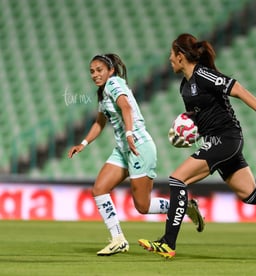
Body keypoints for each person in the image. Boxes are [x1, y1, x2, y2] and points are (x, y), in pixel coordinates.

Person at [138, 33, 256, 259]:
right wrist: (184, 128)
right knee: (250, 194)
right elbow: (199, 115)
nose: (169, 58)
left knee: (178, 179)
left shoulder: (203, 74)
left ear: (181, 56)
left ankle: (168, 243)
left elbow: (235, 88)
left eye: (172, 53)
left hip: (226, 139)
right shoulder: (185, 87)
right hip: (216, 141)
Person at [68, 53, 204, 256]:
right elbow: (100, 122)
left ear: (110, 70)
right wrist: (83, 143)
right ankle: (118, 239)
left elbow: (126, 106)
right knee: (99, 189)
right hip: (123, 149)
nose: (95, 74)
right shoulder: (103, 92)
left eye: (99, 70)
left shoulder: (114, 83)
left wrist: (130, 133)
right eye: (92, 71)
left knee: (143, 206)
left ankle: (182, 206)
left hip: (138, 146)